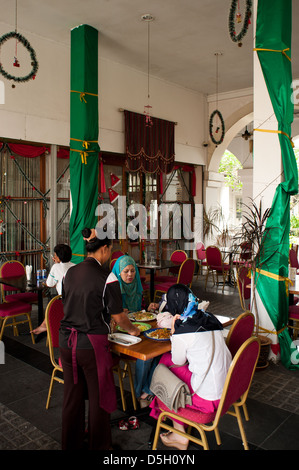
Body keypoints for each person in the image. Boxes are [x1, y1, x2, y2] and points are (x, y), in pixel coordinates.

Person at [59, 229, 140, 450]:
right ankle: (100, 446)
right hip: (91, 346)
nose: (110, 254)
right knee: (98, 398)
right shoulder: (108, 277)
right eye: (110, 249)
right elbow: (118, 316)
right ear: (103, 248)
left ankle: (71, 444)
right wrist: (133, 331)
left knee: (72, 397)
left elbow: (68, 302)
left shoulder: (70, 272)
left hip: (66, 342)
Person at [149, 284, 232, 450]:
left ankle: (179, 434)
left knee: (162, 374)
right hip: (227, 389)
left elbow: (178, 361)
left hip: (207, 397)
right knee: (165, 361)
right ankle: (165, 414)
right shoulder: (209, 317)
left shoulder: (183, 331)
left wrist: (174, 332)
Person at [112, 254, 159, 407]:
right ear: (119, 273)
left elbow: (140, 311)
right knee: (146, 356)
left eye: (133, 271)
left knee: (159, 352)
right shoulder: (113, 291)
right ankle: (140, 393)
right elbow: (108, 318)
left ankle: (147, 389)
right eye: (126, 272)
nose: (130, 275)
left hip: (138, 330)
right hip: (119, 335)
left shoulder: (137, 287)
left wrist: (148, 308)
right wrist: (119, 316)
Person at [32, 243, 75, 335]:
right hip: (76, 301)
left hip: (64, 302)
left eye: (55, 255)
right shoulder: (75, 266)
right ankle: (44, 325)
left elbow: (49, 283)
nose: (54, 257)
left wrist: (56, 264)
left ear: (58, 257)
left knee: (51, 301)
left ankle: (45, 325)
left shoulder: (56, 267)